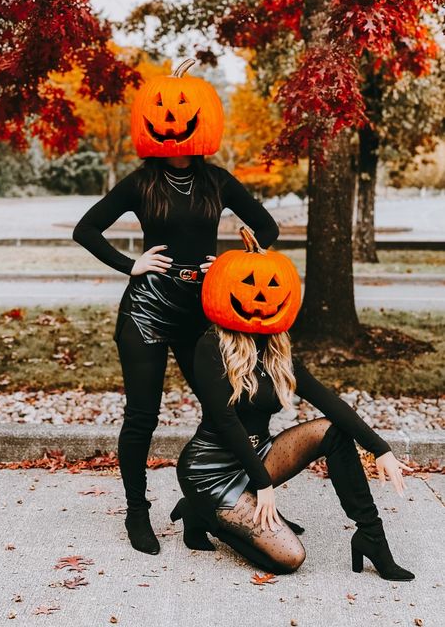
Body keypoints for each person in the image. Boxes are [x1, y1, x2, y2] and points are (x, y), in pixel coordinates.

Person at [72, 60, 304, 555]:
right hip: (146, 310)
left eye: (185, 110)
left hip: (201, 310)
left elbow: (266, 228)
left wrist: (229, 263)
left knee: (230, 409)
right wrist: (130, 264)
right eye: (165, 111)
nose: (175, 119)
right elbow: (86, 229)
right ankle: (139, 512)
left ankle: (220, 499)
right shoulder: (140, 182)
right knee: (142, 417)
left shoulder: (218, 182)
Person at [172, 232, 415, 580]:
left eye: (272, 284)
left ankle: (371, 537)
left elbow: (330, 403)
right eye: (250, 284)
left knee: (332, 431)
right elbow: (225, 420)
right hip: (211, 473)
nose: (260, 295)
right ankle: (201, 512)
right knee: (290, 559)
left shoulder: (276, 349)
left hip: (260, 457)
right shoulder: (211, 344)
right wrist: (264, 486)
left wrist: (380, 449)